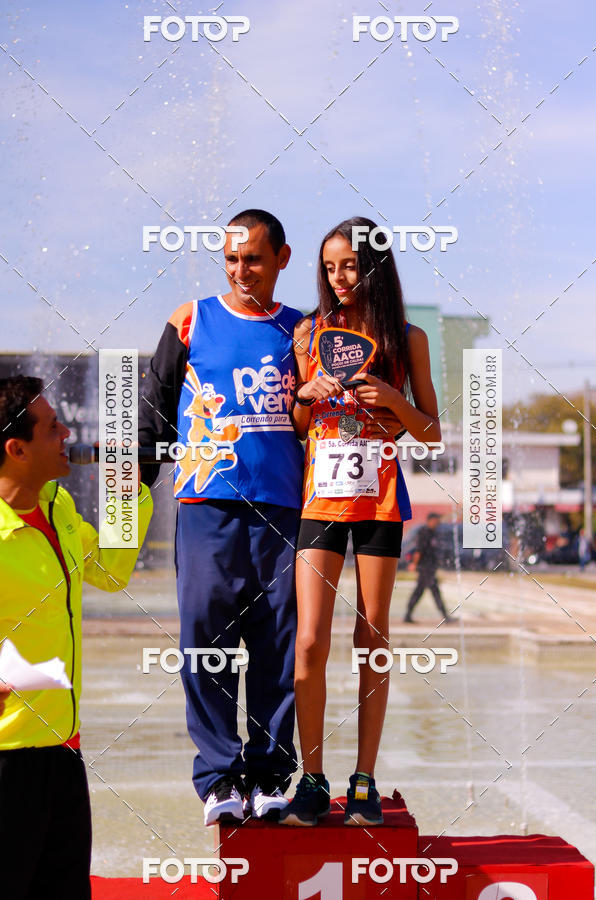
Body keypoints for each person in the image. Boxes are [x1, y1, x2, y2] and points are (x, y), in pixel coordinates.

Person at [138, 209, 306, 826]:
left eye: (254, 260)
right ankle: (218, 779)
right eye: (232, 260)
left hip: (285, 511)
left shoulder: (305, 333)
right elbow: (154, 411)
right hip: (206, 504)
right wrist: (130, 487)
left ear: (281, 260)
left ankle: (268, 775)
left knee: (277, 643)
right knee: (204, 642)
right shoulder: (190, 321)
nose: (241, 271)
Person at [279, 216, 441, 827]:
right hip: (320, 502)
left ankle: (365, 779)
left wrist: (395, 401)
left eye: (349, 264)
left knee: (372, 640)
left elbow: (432, 431)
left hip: (380, 503)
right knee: (312, 639)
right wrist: (306, 393)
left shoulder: (408, 337)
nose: (338, 277)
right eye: (328, 267)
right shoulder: (308, 332)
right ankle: (312, 778)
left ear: (375, 266)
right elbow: (296, 426)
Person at [0, 375, 153, 900]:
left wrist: (131, 489)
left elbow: (110, 570)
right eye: (52, 427)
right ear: (16, 449)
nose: (68, 432)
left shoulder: (57, 506)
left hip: (63, 751)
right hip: (6, 756)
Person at [404, 512, 454, 622]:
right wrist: (414, 564)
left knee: (421, 591)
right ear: (430, 520)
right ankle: (445, 616)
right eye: (436, 520)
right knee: (431, 592)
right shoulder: (424, 532)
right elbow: (419, 550)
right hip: (425, 567)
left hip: (430, 568)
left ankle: (408, 615)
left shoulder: (433, 532)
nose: (438, 523)